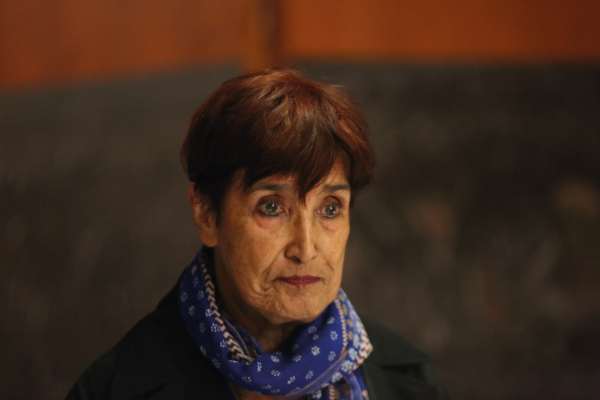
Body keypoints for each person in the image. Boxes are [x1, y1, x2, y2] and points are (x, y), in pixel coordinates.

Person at [66, 68, 452, 400]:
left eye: (330, 208)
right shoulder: (114, 389)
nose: (306, 248)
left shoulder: (409, 382)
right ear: (206, 214)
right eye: (271, 207)